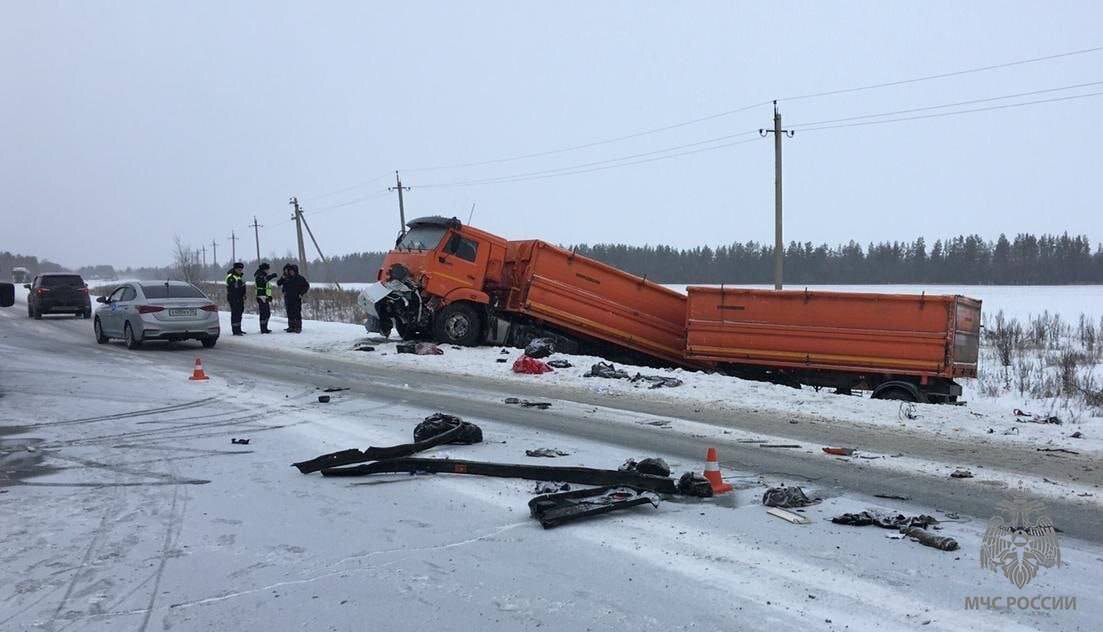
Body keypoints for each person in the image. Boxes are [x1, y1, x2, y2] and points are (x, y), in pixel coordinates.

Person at [276, 263, 309, 333]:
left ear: (295, 271)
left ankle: (298, 327)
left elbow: (306, 286)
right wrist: (282, 278)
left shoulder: (300, 278)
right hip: (288, 298)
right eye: (290, 271)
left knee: (297, 312)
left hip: (297, 298)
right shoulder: (286, 278)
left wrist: (301, 293)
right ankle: (291, 327)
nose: (291, 272)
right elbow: (278, 283)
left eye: (292, 271)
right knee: (289, 312)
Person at [254, 262, 278, 334]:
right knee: (264, 313)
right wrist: (271, 276)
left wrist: (269, 296)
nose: (268, 271)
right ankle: (263, 329)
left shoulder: (263, 275)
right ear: (264, 269)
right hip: (261, 296)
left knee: (267, 313)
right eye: (267, 269)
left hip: (265, 296)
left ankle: (265, 328)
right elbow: (263, 281)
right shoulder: (259, 275)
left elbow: (267, 288)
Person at [225, 262, 247, 335]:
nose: (240, 271)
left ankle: (239, 329)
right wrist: (238, 285)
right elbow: (232, 287)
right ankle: (235, 330)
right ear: (235, 269)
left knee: (239, 313)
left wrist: (244, 294)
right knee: (235, 314)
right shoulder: (231, 277)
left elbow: (242, 287)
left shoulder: (239, 277)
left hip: (240, 297)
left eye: (241, 269)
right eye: (239, 269)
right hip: (233, 297)